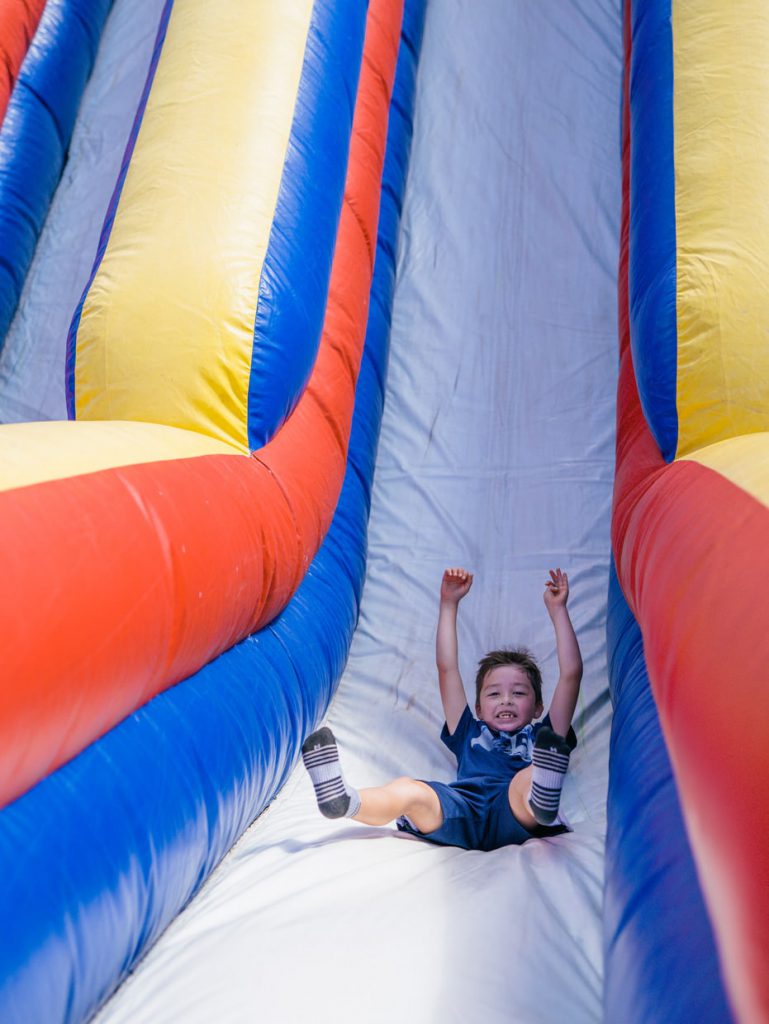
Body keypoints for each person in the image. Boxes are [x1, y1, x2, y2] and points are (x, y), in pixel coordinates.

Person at [301, 567, 582, 851]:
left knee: (528, 776)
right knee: (410, 790)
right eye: (494, 693)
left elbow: (571, 675)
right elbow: (447, 669)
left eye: (518, 693)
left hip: (514, 811)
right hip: (463, 808)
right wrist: (449, 604)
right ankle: (346, 801)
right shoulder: (468, 730)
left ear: (538, 707)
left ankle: (541, 799)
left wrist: (558, 610)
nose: (506, 700)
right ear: (478, 708)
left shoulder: (543, 737)